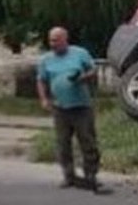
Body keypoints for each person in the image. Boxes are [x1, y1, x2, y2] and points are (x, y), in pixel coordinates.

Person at [36, 27, 102, 191]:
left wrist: (83, 78)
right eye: (51, 40)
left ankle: (90, 175)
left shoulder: (79, 53)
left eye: (56, 40)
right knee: (63, 143)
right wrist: (44, 99)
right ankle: (69, 175)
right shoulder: (46, 60)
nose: (53, 44)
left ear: (65, 39)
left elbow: (93, 71)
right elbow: (41, 80)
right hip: (60, 108)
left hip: (81, 106)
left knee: (88, 141)